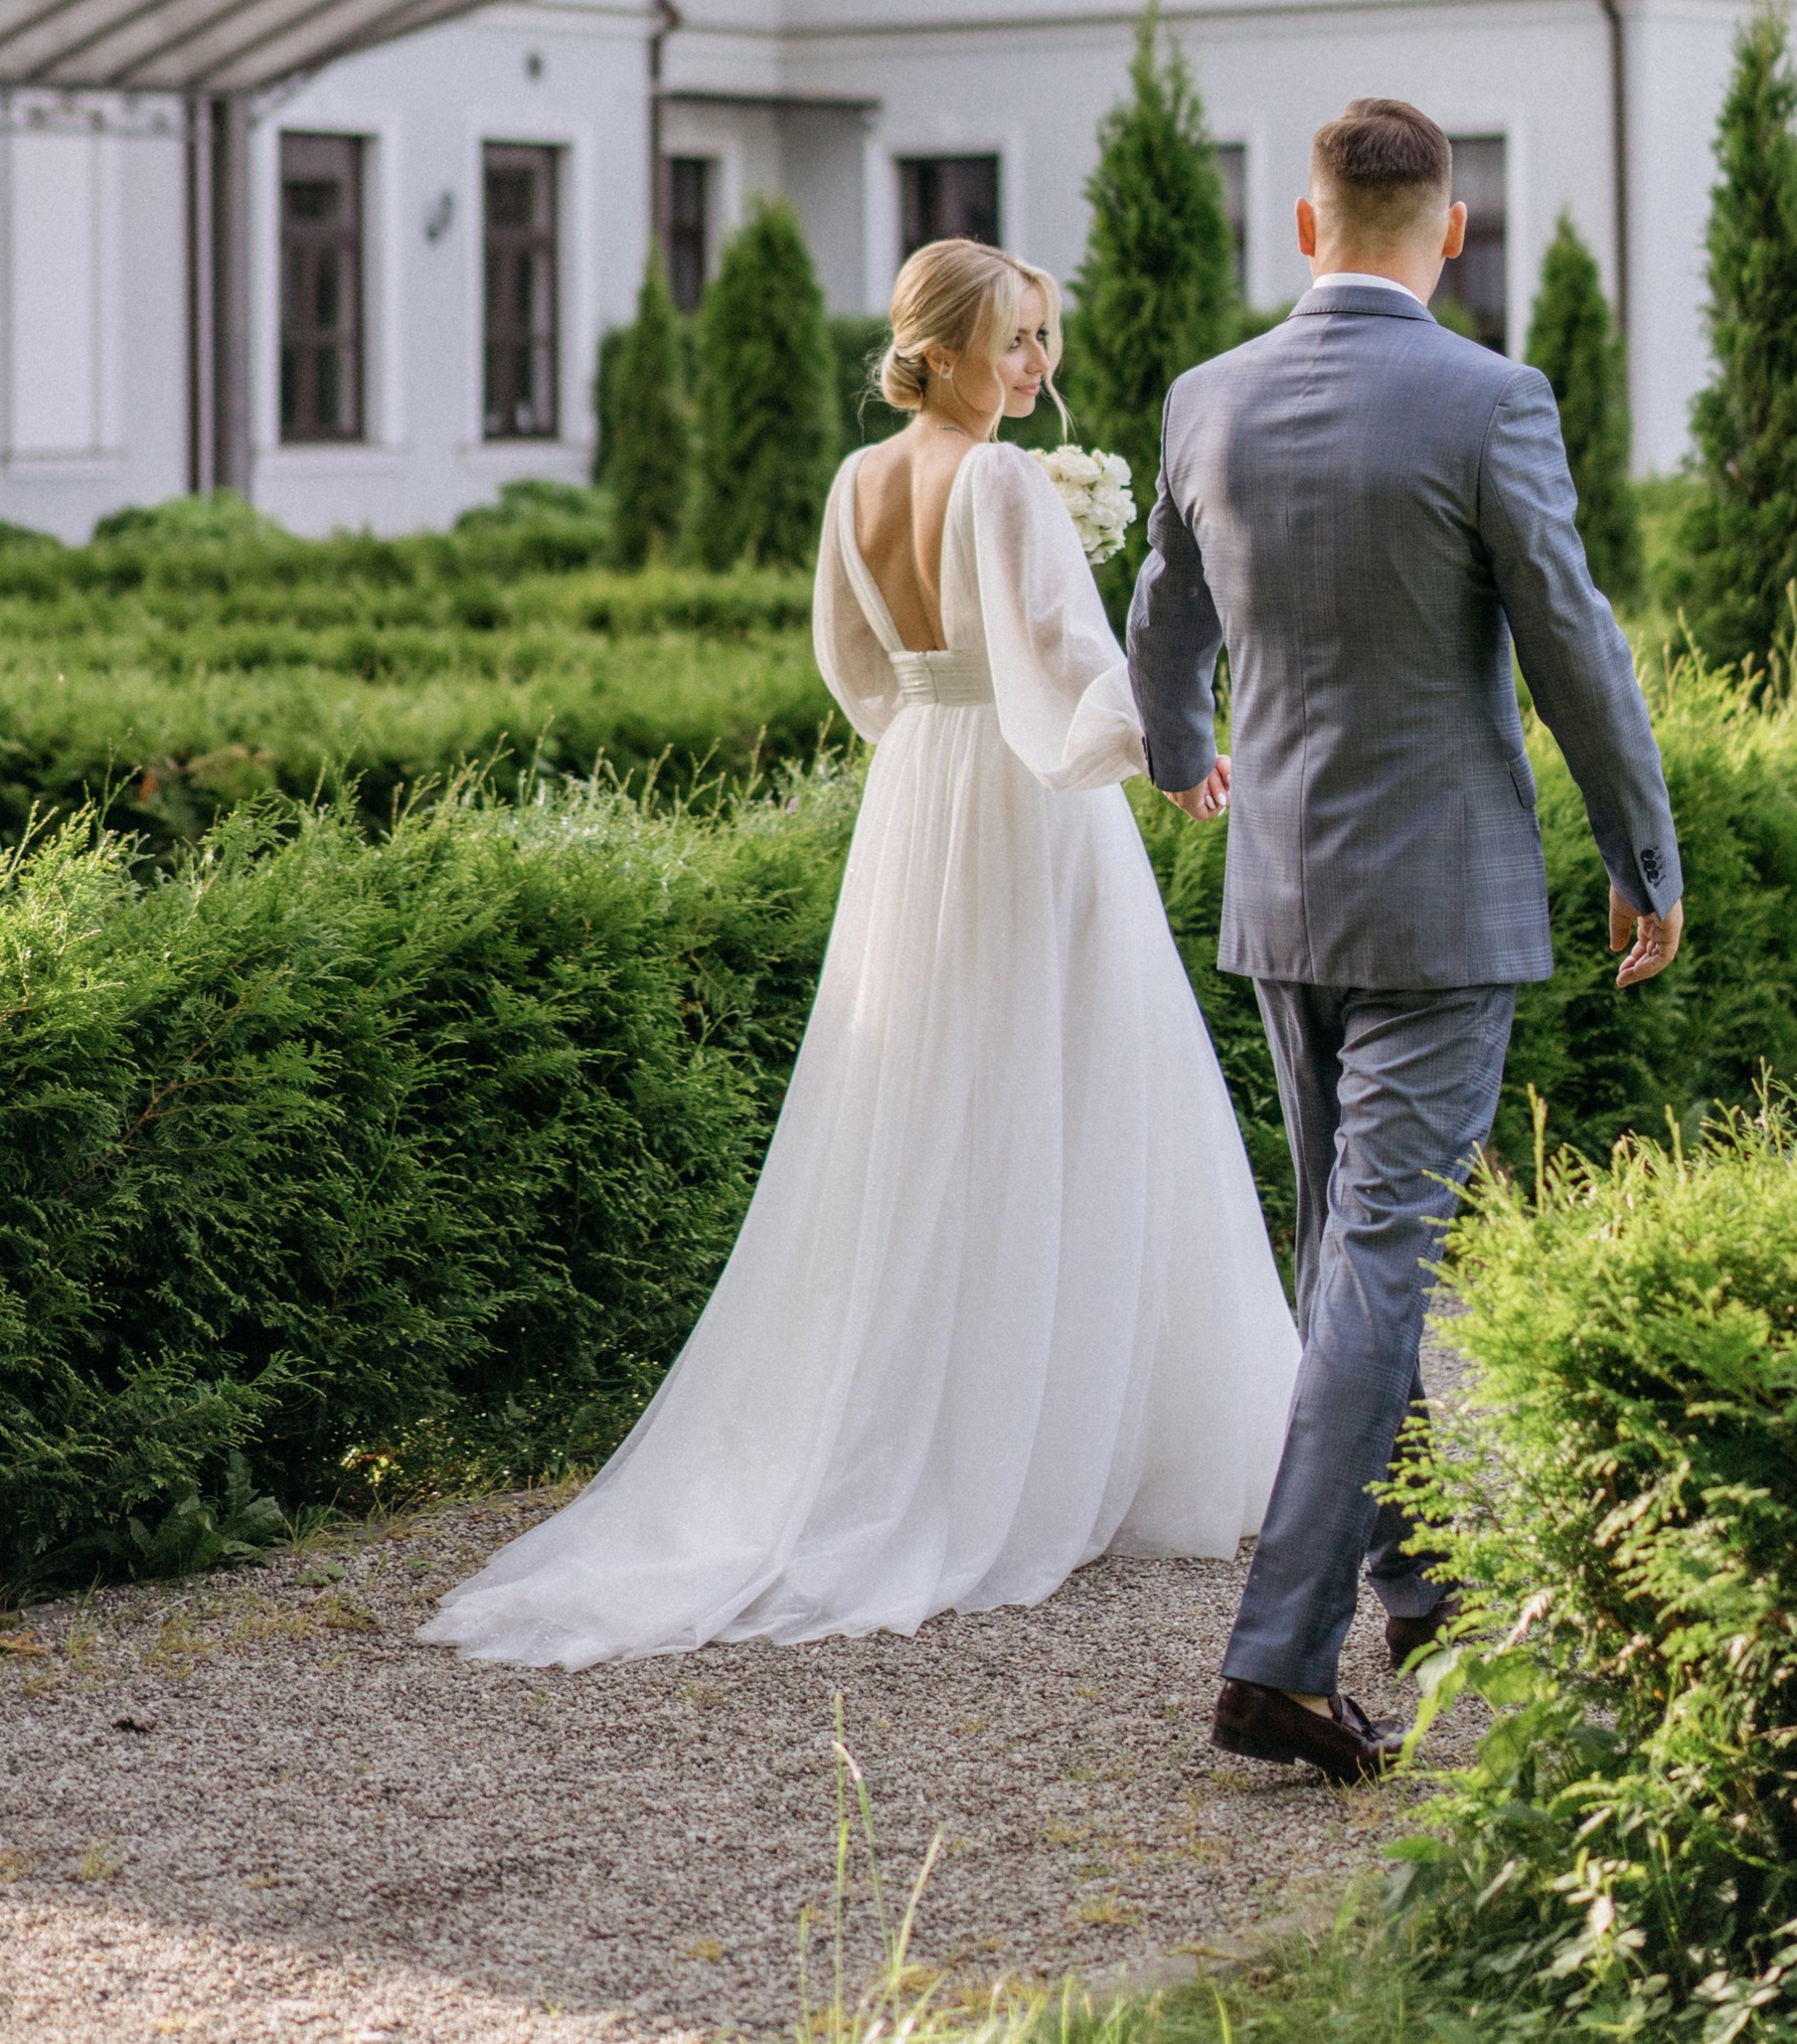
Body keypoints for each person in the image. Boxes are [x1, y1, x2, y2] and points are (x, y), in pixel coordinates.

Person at [423, 239, 1298, 1670]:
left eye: (1043, 341)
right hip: (1026, 803)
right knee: (1052, 1084)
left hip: (919, 806)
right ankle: (1049, 1439)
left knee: (925, 1095)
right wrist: (1157, 747)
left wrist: (930, 744)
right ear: (946, 348)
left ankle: (955, 1411)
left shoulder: (852, 481)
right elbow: (1060, 660)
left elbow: (854, 668)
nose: (1038, 368)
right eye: (1017, 340)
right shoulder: (1001, 481)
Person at [1127, 97, 1687, 1786]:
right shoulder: (1491, 398)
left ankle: (1420, 1576)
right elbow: (1574, 644)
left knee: (1344, 1258)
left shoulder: (1202, 400)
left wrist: (1180, 762)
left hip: (1283, 898)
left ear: (1306, 228)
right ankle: (1280, 1653)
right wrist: (1643, 849)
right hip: (1445, 907)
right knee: (1379, 1260)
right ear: (1452, 232)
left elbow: (1160, 627)